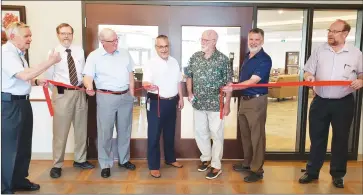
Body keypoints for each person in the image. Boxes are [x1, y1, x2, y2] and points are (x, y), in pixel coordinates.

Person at [299, 19, 363, 188]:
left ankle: (337, 174)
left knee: (341, 139)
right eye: (329, 30)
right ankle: (312, 172)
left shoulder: (355, 53)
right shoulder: (320, 50)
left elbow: (362, 74)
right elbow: (307, 71)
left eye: (335, 31)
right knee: (317, 138)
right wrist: (309, 77)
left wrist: (360, 81)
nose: (330, 34)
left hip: (343, 103)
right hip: (320, 101)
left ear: (345, 34)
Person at [2, 22, 61, 194]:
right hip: (9, 105)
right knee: (9, 146)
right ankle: (5, 187)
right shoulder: (5, 53)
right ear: (13, 37)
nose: (30, 39)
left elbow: (21, 77)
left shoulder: (18, 53)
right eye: (26, 36)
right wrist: (50, 62)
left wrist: (35, 81)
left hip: (22, 102)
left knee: (23, 144)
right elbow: (25, 74)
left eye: (30, 35)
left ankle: (19, 180)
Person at [82, 28, 136, 178]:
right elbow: (87, 76)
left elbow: (131, 74)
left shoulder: (124, 53)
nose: (116, 43)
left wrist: (132, 94)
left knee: (125, 130)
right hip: (106, 97)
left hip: (125, 97)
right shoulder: (94, 56)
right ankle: (105, 164)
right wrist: (89, 86)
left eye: (117, 39)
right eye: (113, 41)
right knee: (105, 131)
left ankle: (124, 160)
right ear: (103, 42)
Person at [44, 23, 94, 179]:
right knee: (60, 132)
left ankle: (80, 159)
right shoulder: (53, 53)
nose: (66, 36)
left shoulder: (79, 51)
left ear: (73, 34)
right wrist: (58, 95)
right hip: (62, 95)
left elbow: (84, 72)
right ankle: (57, 164)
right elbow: (49, 77)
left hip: (80, 93)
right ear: (58, 35)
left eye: (69, 33)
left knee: (81, 129)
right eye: (63, 33)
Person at [224, 28, 272, 183]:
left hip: (257, 101)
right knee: (245, 135)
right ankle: (247, 163)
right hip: (245, 100)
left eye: (257, 39)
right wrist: (236, 86)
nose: (253, 42)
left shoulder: (264, 59)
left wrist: (234, 87)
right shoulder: (247, 56)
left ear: (262, 41)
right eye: (251, 39)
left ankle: (257, 170)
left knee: (257, 136)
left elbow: (253, 81)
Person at [184, 29, 233, 180]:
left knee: (216, 134)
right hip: (198, 103)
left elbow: (229, 83)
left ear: (214, 42)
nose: (202, 42)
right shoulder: (195, 57)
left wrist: (227, 104)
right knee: (200, 132)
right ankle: (206, 158)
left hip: (216, 104)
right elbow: (189, 76)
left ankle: (216, 165)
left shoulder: (223, 60)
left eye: (206, 40)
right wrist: (190, 92)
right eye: (202, 39)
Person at [142, 35, 184, 178]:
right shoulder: (150, 63)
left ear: (169, 46)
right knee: (154, 135)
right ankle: (153, 165)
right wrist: (149, 85)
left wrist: (181, 98)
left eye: (166, 46)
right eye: (160, 46)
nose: (164, 49)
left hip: (172, 102)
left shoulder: (174, 62)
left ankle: (170, 159)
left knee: (170, 133)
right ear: (156, 48)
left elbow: (178, 81)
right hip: (156, 103)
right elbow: (145, 83)